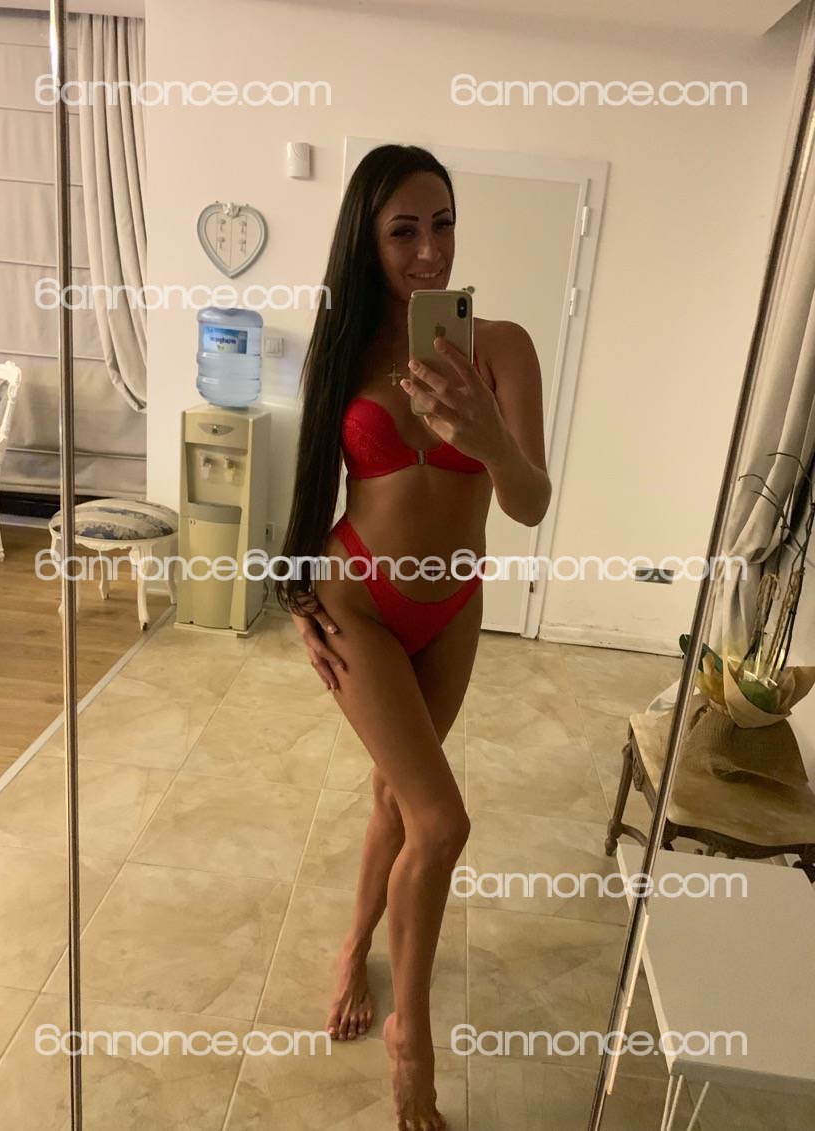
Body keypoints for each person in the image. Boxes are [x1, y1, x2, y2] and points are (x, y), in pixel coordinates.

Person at [275, 144, 551, 1131]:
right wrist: (296, 598)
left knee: (399, 798)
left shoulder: (502, 347)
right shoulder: (343, 348)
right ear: (368, 240)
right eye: (403, 231)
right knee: (440, 823)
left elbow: (529, 502)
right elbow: (309, 484)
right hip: (358, 598)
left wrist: (487, 435)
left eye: (443, 223)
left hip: (453, 605)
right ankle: (412, 1043)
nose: (429, 249)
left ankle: (353, 947)